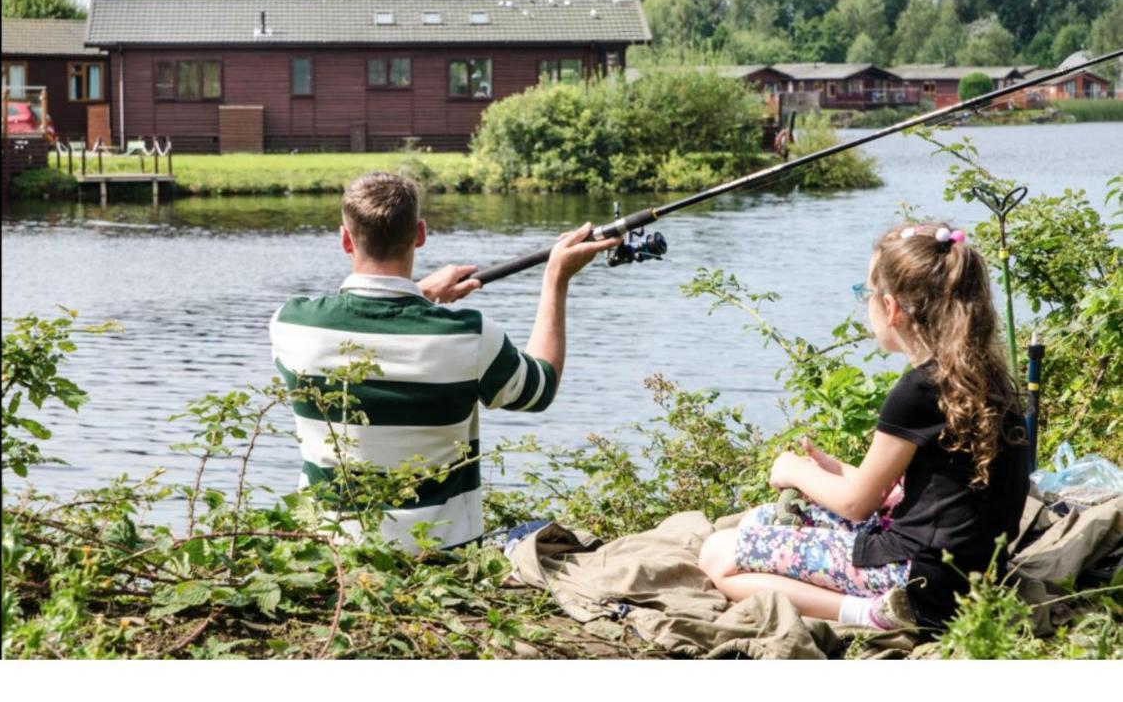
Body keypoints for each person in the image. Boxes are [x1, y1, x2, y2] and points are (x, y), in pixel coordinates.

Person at [698, 222, 1030, 632]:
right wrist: (836, 472)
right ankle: (875, 599)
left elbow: (858, 504)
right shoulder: (983, 375)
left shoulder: (918, 391)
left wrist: (794, 470)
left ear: (890, 308)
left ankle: (872, 614)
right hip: (972, 573)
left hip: (918, 580)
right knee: (758, 521)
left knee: (718, 554)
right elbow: (931, 494)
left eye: (867, 294)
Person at [270, 171, 618, 552]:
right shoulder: (468, 335)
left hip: (329, 553)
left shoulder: (292, 324)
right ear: (419, 234)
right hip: (441, 557)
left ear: (345, 239)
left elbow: (378, 320)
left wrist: (420, 294)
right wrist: (556, 277)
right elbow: (540, 388)